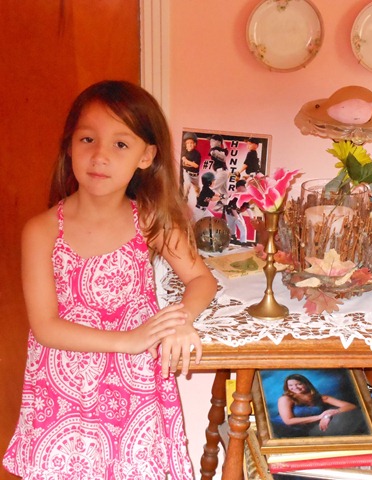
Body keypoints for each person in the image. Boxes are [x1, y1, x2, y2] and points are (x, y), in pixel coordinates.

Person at [2, 80, 217, 480]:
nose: (100, 155)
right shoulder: (41, 230)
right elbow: (45, 327)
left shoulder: (150, 221)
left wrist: (179, 320)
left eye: (120, 144)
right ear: (70, 145)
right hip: (63, 392)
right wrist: (128, 340)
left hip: (136, 386)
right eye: (87, 139)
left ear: (146, 156)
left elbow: (201, 280)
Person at [274, 374, 367, 438]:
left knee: (356, 416)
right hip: (282, 429)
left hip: (307, 431)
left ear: (306, 384)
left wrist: (329, 414)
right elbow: (288, 421)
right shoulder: (285, 399)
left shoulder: (320, 397)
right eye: (290, 385)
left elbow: (351, 406)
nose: (295, 387)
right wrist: (319, 417)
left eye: (299, 384)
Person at [180, 131, 202, 199]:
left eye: (191, 143)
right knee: (187, 184)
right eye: (187, 143)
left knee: (197, 189)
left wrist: (187, 161)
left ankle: (198, 199)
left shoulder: (197, 154)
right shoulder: (183, 152)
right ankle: (184, 198)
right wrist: (188, 161)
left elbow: (196, 165)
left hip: (195, 175)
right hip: (187, 173)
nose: (189, 145)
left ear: (195, 144)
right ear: (185, 144)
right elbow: (183, 160)